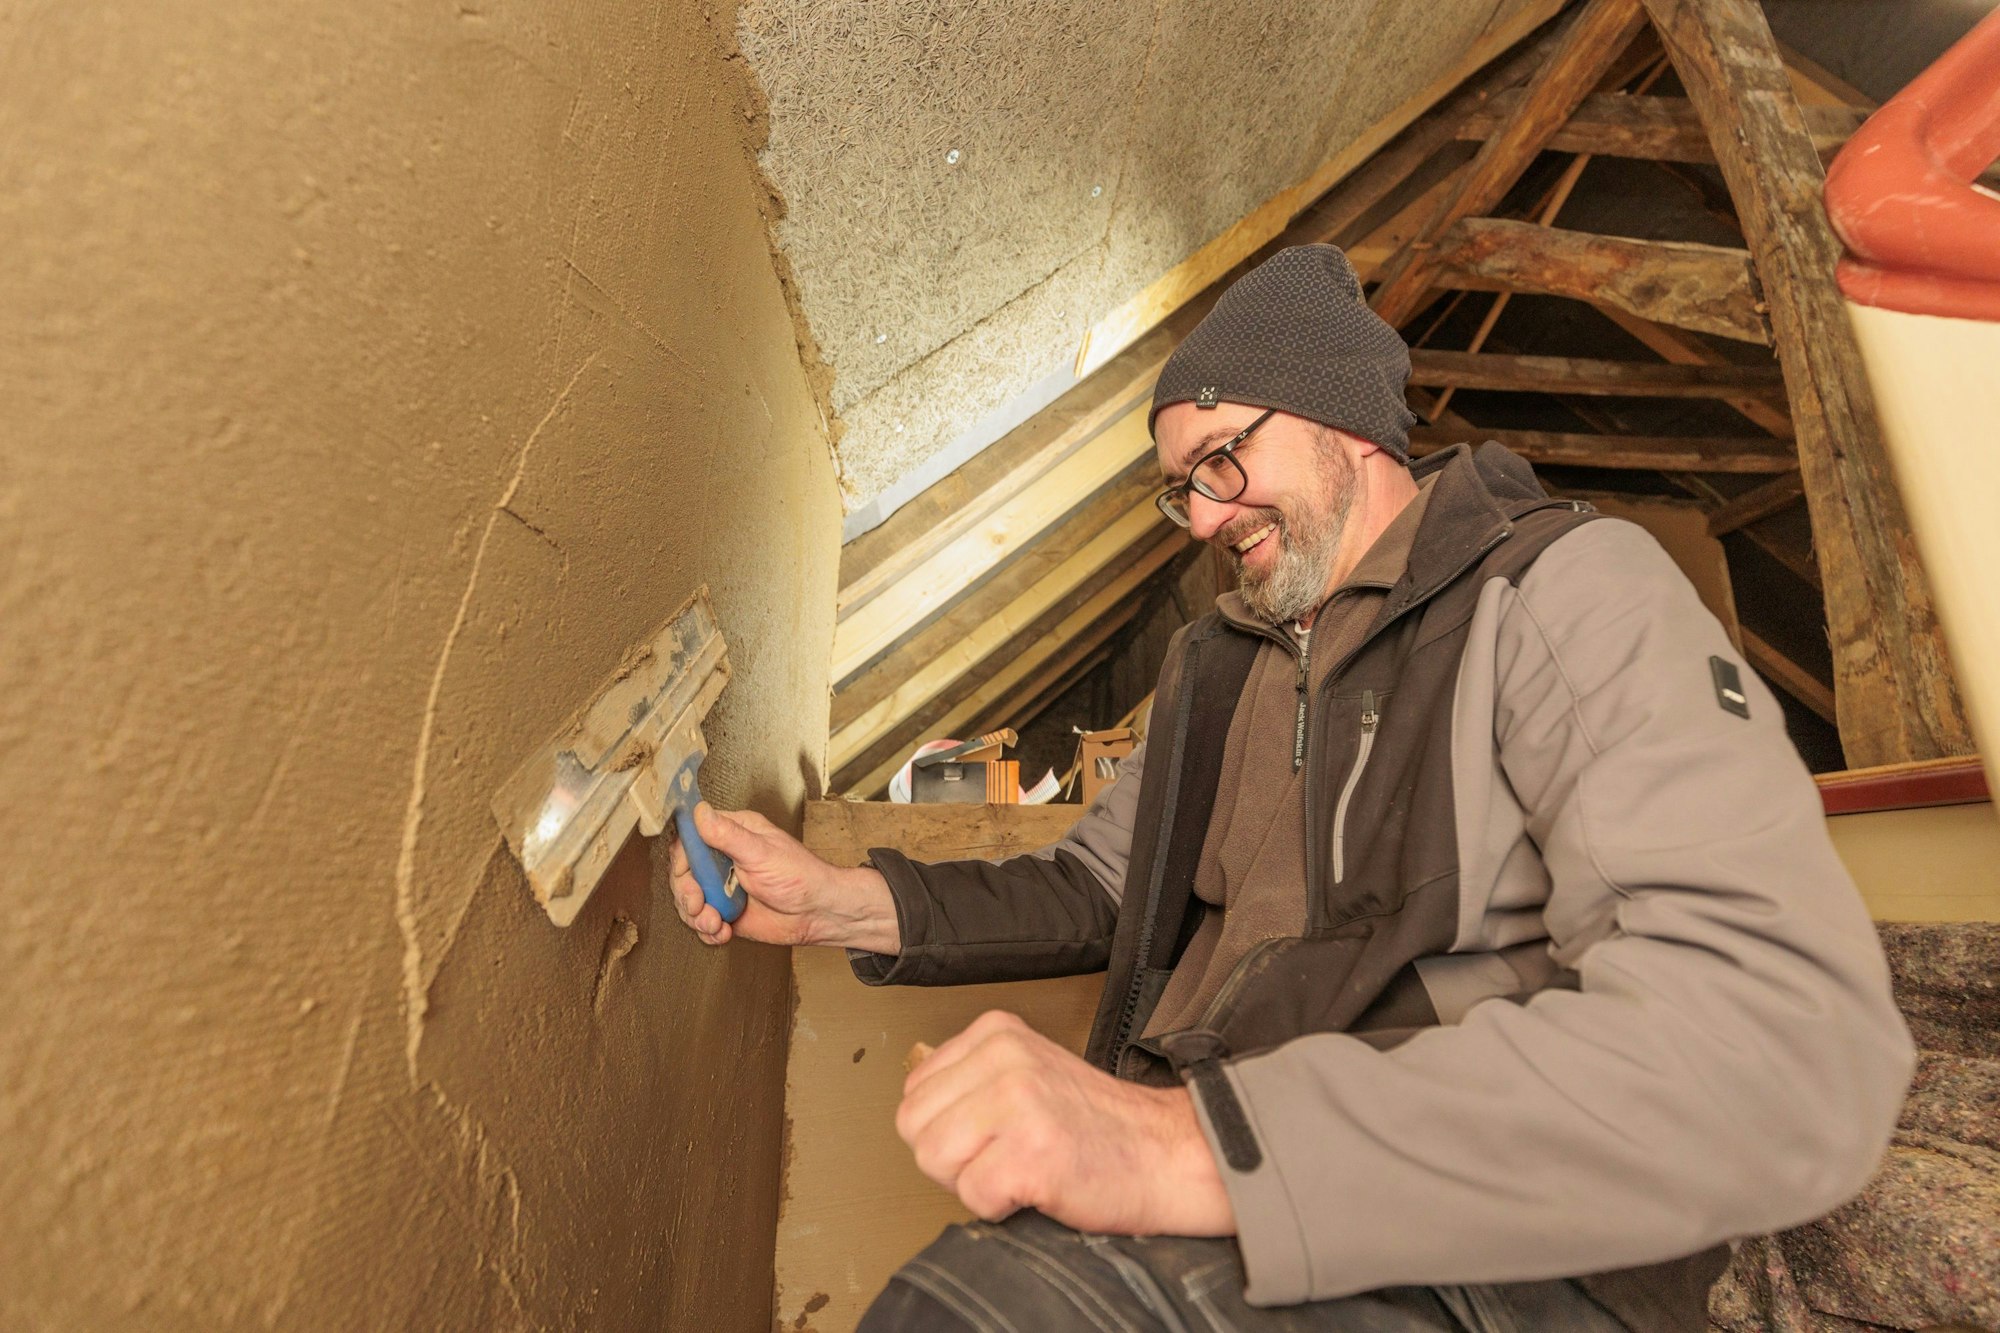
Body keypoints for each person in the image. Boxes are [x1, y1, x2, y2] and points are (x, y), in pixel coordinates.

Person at [669, 245, 1913, 1332]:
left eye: (1221, 457)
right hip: (1216, 1185)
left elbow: (1776, 1043)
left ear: (1342, 424)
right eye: (1180, 488)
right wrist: (837, 903)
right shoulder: (1215, 665)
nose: (1202, 518)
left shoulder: (1565, 591)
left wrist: (1179, 1144)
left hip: (1481, 1258)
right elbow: (1096, 883)